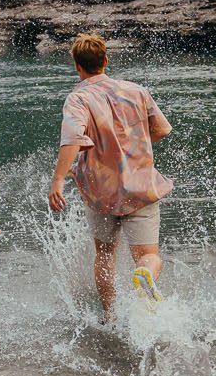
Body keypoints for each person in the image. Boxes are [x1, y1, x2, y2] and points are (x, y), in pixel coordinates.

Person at [46, 33, 174, 315]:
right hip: (141, 187)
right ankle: (147, 275)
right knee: (148, 255)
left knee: (105, 254)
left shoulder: (78, 98)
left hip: (100, 190)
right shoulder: (136, 91)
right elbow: (162, 129)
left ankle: (110, 315)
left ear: (77, 67)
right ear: (105, 60)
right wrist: (132, 144)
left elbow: (72, 139)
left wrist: (58, 180)